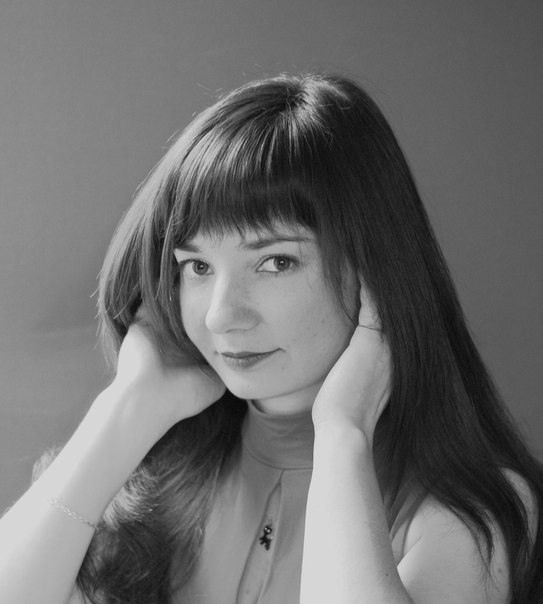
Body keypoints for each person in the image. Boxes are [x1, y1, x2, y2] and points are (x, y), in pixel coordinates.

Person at [0, 73, 541, 604]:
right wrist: (131, 404)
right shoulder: (152, 482)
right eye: (198, 267)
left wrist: (343, 432)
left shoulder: (466, 513)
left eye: (275, 262)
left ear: (374, 270)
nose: (221, 316)